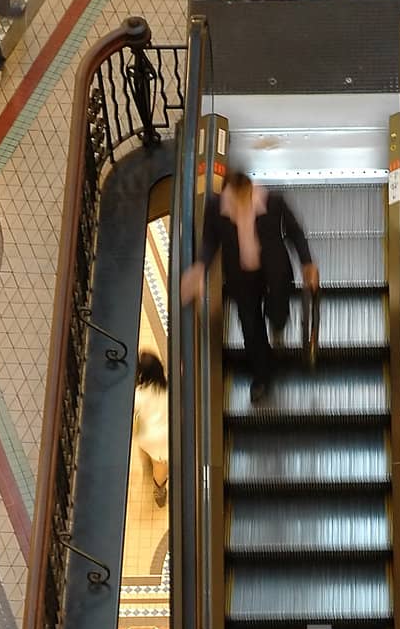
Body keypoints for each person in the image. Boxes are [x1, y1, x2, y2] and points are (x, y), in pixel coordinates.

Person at [179, 171, 319, 405]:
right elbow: (210, 240)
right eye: (235, 195)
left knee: (277, 314)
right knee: (250, 327)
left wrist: (307, 262)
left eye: (244, 194)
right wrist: (200, 266)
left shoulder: (273, 200)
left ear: (251, 189)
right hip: (241, 279)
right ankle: (262, 377)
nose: (240, 201)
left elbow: (295, 232)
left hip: (276, 273)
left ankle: (278, 322)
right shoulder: (216, 207)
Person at [134, 352, 169, 508]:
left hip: (145, 436)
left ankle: (147, 464)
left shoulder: (139, 394)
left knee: (148, 455)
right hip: (160, 438)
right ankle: (159, 489)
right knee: (160, 465)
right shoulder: (168, 390)